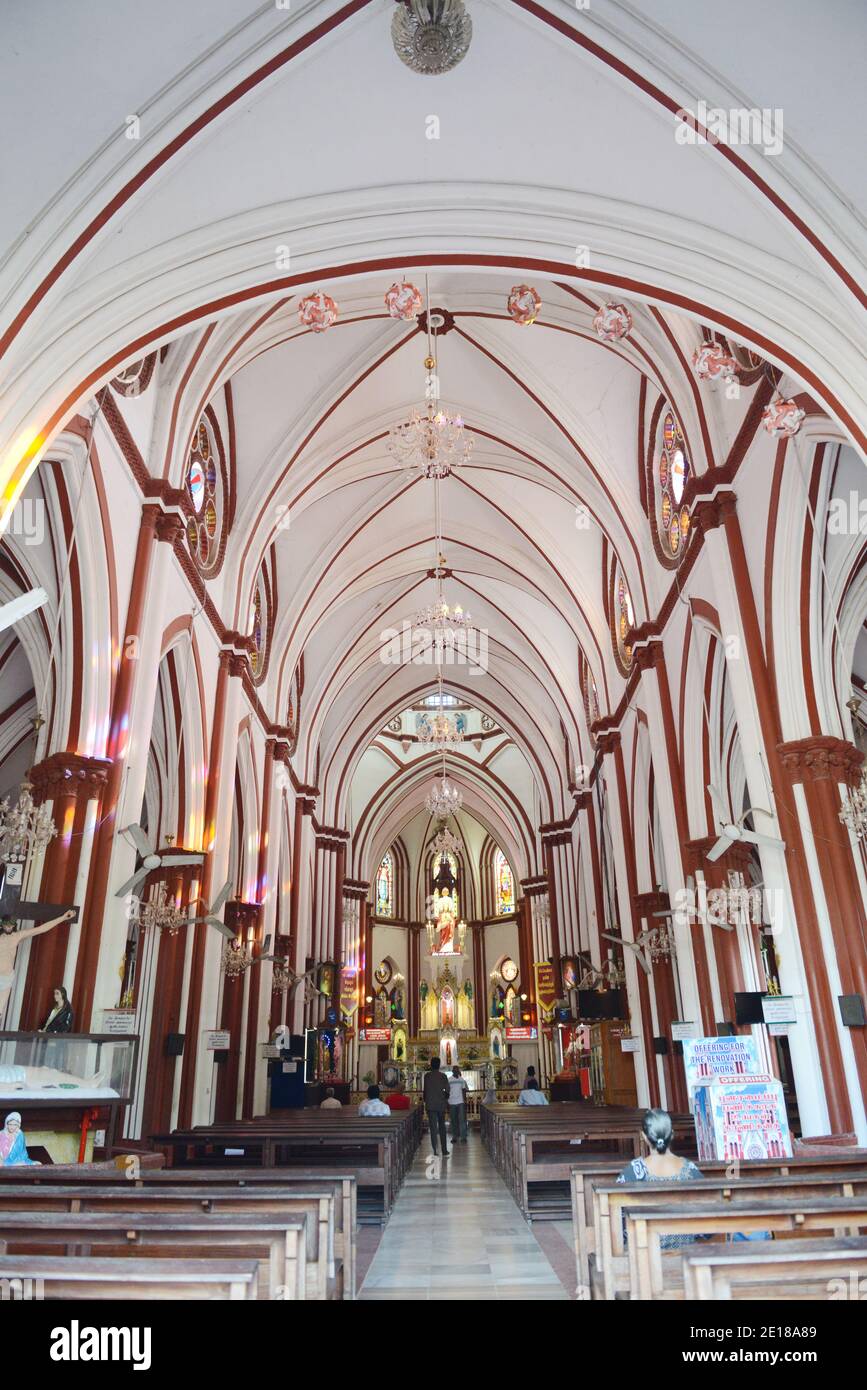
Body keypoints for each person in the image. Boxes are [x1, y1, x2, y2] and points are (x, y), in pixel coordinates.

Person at [616, 1109, 702, 1250]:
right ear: (672, 1134)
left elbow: (618, 1215)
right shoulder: (690, 1168)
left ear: (643, 1136)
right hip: (686, 1249)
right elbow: (706, 1207)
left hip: (646, 1250)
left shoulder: (634, 1170)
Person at [0, 909, 76, 1018]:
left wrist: (63, 917)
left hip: (7, 978)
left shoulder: (17, 936)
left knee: (0, 1011)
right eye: (6, 925)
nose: (9, 928)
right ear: (2, 925)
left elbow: (41, 929)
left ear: (14, 926)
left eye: (11, 926)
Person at [422, 1056, 450, 1157]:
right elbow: (447, 1091)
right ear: (439, 1065)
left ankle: (435, 1150)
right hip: (441, 1105)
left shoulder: (427, 1076)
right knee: (442, 1127)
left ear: (431, 1065)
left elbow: (424, 1092)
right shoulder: (443, 1076)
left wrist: (426, 1101)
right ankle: (444, 1149)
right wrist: (444, 1099)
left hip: (430, 1105)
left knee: (433, 1128)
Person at [448, 1065, 469, 1142]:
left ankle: (463, 1137)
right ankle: (455, 1137)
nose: (456, 1071)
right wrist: (447, 1101)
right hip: (452, 1102)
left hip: (460, 1102)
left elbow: (464, 1091)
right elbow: (447, 1091)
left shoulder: (462, 1080)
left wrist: (465, 1101)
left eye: (457, 1070)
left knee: (462, 1120)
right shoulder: (449, 1080)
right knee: (453, 1120)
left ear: (459, 1071)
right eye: (455, 1070)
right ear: (452, 1071)